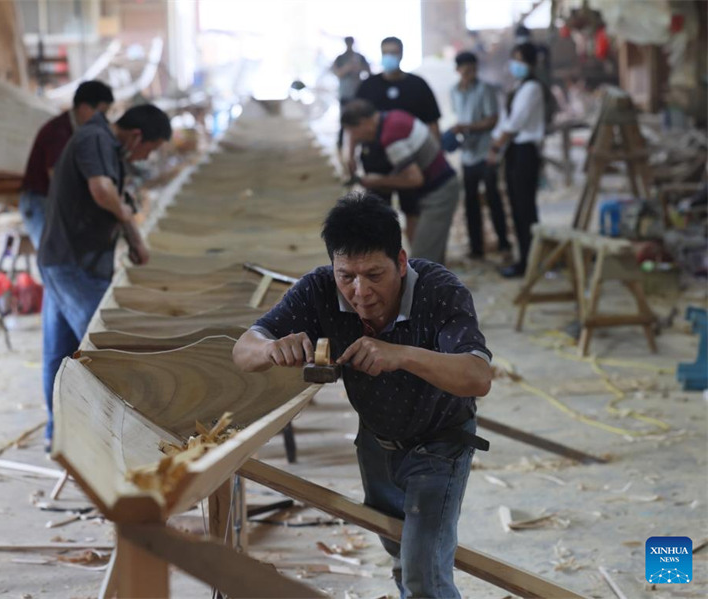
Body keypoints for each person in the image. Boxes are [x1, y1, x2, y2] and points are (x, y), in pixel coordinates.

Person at [232, 192, 492, 599]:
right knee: (399, 550)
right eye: (347, 275)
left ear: (401, 262)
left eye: (375, 275)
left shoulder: (439, 290)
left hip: (441, 441)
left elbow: (478, 376)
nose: (360, 292)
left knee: (425, 575)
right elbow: (243, 349)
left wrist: (402, 355)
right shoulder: (317, 289)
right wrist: (271, 349)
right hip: (376, 442)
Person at [37, 104, 171, 450]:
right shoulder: (94, 138)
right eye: (149, 149)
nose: (144, 158)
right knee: (98, 353)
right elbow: (102, 191)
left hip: (69, 260)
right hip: (72, 263)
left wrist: (135, 240)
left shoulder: (109, 148)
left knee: (61, 352)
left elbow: (118, 196)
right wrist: (126, 214)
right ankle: (98, 442)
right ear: (137, 136)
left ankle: (61, 437)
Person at [342, 99, 459, 265]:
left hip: (439, 193)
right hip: (438, 186)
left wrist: (378, 181)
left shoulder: (391, 137)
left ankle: (430, 290)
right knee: (433, 256)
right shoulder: (393, 116)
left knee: (422, 261)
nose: (354, 137)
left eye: (353, 132)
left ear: (364, 123)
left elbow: (415, 179)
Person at [353, 36, 442, 244]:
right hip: (376, 162)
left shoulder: (418, 85)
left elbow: (433, 124)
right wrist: (348, 154)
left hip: (410, 162)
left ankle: (416, 257)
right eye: (386, 53)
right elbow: (353, 124)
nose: (389, 57)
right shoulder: (368, 87)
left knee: (413, 210)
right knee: (378, 216)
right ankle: (385, 255)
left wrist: (434, 159)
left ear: (401, 54)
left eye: (393, 52)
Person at [19, 80, 114, 248]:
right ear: (85, 108)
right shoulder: (59, 132)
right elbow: (58, 177)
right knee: (53, 255)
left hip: (53, 200)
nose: (104, 120)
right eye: (102, 113)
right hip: (41, 200)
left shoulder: (79, 131)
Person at [488, 43, 546, 278]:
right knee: (516, 207)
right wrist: (496, 142)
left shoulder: (532, 88)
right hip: (513, 151)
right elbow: (504, 120)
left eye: (520, 60)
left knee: (525, 208)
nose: (516, 65)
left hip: (525, 151)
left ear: (531, 64)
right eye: (514, 59)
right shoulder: (517, 87)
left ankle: (530, 261)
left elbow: (515, 123)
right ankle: (526, 258)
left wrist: (495, 147)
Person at [450, 51, 511, 259]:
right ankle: (477, 248)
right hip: (468, 154)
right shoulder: (454, 92)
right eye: (466, 71)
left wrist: (467, 127)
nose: (470, 75)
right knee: (470, 202)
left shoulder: (484, 89)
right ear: (458, 71)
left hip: (485, 153)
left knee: (493, 197)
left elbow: (492, 120)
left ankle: (503, 242)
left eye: (473, 70)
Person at [331, 36, 370, 150]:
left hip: (357, 92)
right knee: (344, 119)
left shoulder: (360, 57)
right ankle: (341, 143)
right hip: (345, 93)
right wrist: (347, 68)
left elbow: (368, 71)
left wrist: (359, 67)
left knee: (360, 118)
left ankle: (361, 142)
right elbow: (337, 73)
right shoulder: (340, 58)